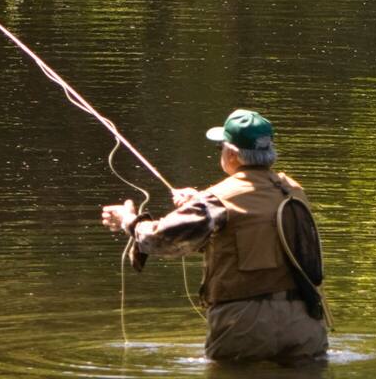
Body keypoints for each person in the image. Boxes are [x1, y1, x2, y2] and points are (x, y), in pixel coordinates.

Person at [99, 109, 328, 364]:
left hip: (244, 326)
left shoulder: (216, 200)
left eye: (221, 147)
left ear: (230, 153)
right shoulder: (293, 190)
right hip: (305, 324)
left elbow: (158, 239)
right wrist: (197, 203)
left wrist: (128, 221)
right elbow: (255, 228)